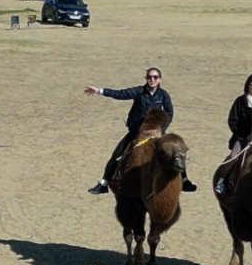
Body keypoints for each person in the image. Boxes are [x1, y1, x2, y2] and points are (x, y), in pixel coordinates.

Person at [84, 67, 197, 195]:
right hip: (136, 132)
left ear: (159, 79)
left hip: (156, 132)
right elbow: (120, 94)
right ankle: (103, 184)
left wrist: (161, 129)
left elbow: (169, 113)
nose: (152, 80)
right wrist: (99, 91)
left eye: (155, 77)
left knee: (175, 152)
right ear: (146, 79)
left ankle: (185, 180)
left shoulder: (163, 95)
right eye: (149, 77)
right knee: (117, 155)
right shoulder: (139, 92)